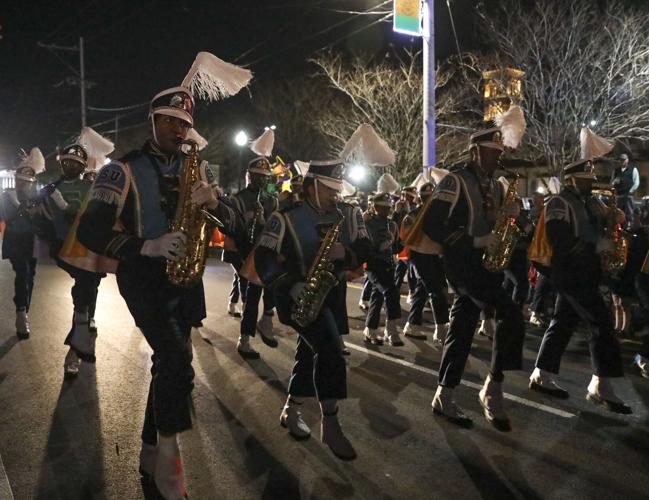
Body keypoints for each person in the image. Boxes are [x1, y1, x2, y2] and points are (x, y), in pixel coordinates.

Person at [77, 85, 240, 499]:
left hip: (185, 278)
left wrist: (215, 203)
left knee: (167, 367)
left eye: (184, 123)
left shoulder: (197, 169)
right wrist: (144, 245)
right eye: (169, 120)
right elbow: (90, 230)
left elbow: (240, 226)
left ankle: (149, 455)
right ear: (152, 121)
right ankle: (169, 460)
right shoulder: (120, 169)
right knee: (176, 361)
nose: (178, 129)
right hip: (143, 276)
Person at [254, 159, 371, 460]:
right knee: (330, 350)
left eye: (338, 189)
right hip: (297, 296)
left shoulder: (348, 214)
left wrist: (347, 252)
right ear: (312, 186)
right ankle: (331, 422)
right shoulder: (285, 217)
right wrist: (291, 284)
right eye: (330, 189)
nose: (336, 195)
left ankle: (291, 410)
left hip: (330, 295)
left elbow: (368, 247)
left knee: (310, 352)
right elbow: (264, 258)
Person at [423, 128, 525, 431]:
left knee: (463, 326)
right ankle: (493, 388)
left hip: (485, 266)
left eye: (500, 152)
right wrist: (476, 241)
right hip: (462, 265)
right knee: (510, 314)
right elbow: (432, 224)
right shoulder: (455, 181)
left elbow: (493, 220)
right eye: (492, 151)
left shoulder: (495, 184)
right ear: (475, 152)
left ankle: (445, 393)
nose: (498, 157)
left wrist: (509, 220)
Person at [528, 159, 632, 414]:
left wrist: (618, 217)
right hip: (569, 273)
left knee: (563, 322)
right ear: (572, 180)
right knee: (601, 323)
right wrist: (596, 247)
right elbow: (559, 238)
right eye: (586, 178)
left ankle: (541, 374)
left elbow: (606, 222)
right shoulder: (558, 202)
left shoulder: (593, 201)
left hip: (590, 272)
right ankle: (602, 383)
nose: (591, 182)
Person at [32, 143, 105, 378]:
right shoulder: (52, 188)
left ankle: (82, 335)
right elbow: (42, 219)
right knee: (85, 288)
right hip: (65, 248)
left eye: (75, 162)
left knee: (89, 285)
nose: (70, 165)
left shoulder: (91, 186)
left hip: (89, 247)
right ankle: (77, 345)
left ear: (83, 166)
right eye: (66, 161)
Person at [225, 157, 279, 358]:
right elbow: (231, 227)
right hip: (245, 251)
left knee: (274, 285)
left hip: (265, 250)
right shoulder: (238, 199)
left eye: (265, 177)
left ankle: (266, 319)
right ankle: (244, 339)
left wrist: (265, 219)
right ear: (250, 176)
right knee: (252, 296)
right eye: (258, 176)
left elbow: (276, 227)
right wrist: (247, 218)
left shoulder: (272, 200)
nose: (262, 181)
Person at [0, 148, 43, 339]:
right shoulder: (7, 195)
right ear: (16, 180)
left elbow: (42, 220)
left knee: (31, 275)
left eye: (28, 182)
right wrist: (19, 205)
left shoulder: (36, 197)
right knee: (23, 272)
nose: (24, 185)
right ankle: (21, 312)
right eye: (21, 181)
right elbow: (7, 216)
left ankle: (24, 310)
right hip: (15, 239)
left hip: (32, 240)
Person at [401, 182, 450, 342]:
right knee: (437, 291)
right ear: (421, 198)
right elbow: (406, 239)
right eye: (426, 197)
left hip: (436, 256)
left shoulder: (441, 214)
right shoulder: (413, 216)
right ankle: (441, 328)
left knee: (423, 292)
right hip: (420, 256)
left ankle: (412, 324)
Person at [362, 192, 403, 346]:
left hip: (388, 264)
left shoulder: (392, 224)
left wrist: (395, 243)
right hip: (374, 264)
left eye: (388, 208)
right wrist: (382, 245)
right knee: (391, 292)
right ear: (375, 207)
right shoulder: (369, 223)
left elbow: (398, 247)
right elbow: (368, 246)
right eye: (382, 208)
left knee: (377, 296)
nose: (385, 211)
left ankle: (370, 330)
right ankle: (391, 331)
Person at [611, 153, 639, 229]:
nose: (622, 161)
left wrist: (631, 190)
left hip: (628, 195)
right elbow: (611, 183)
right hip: (618, 195)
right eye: (621, 160)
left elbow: (636, 182)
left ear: (627, 160)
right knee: (618, 212)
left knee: (629, 212)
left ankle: (629, 227)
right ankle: (619, 227)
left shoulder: (633, 169)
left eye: (624, 160)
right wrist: (614, 182)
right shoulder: (616, 171)